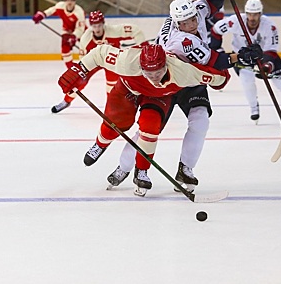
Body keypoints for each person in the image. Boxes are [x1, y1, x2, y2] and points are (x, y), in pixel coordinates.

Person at [107, 0, 258, 193]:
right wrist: (241, 56)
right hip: (168, 81)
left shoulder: (192, 12)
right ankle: (125, 167)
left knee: (200, 119)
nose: (192, 23)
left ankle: (185, 168)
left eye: (193, 18)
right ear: (177, 23)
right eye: (185, 22)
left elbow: (208, 3)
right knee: (150, 128)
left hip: (192, 78)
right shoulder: (181, 41)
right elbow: (215, 61)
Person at [57, 43, 260, 196]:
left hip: (158, 96)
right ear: (140, 66)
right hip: (128, 89)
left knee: (150, 127)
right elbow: (99, 53)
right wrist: (77, 70)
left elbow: (217, 78)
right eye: (148, 72)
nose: (153, 77)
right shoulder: (127, 60)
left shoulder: (183, 72)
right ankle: (100, 144)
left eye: (158, 72)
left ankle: (142, 171)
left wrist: (230, 69)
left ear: (166, 65)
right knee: (117, 122)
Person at [211, 0, 281, 123]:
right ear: (246, 13)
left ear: (261, 14)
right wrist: (217, 49)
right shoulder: (235, 21)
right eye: (250, 14)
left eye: (256, 14)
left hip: (265, 56)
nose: (252, 18)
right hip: (242, 56)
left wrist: (267, 66)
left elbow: (271, 50)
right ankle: (254, 108)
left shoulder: (270, 26)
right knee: (247, 81)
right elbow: (215, 30)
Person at [50, 10, 148, 113]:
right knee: (78, 82)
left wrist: (143, 45)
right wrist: (81, 73)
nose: (97, 29)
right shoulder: (85, 39)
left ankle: (111, 109)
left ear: (103, 24)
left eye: (99, 25)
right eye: (94, 26)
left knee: (112, 86)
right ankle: (66, 101)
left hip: (112, 60)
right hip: (94, 61)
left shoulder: (114, 30)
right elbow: (83, 60)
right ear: (91, 25)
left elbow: (136, 31)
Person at [32, 0, 86, 69]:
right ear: (65, 1)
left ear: (75, 2)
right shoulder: (60, 6)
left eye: (71, 0)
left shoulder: (79, 12)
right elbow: (52, 10)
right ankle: (71, 69)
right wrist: (42, 15)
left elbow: (80, 29)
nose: (69, 2)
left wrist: (74, 36)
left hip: (80, 30)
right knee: (65, 48)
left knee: (86, 46)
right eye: (68, 0)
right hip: (67, 30)